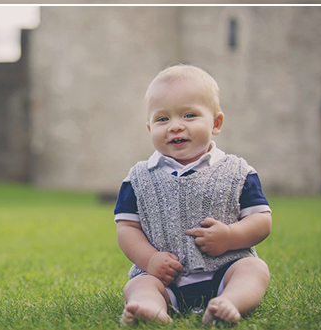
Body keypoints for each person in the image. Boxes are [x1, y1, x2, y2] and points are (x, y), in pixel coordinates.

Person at [115, 64, 271, 325]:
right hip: (166, 278)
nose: (175, 126)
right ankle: (151, 308)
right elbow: (127, 228)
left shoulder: (238, 171)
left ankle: (229, 302)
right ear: (149, 127)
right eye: (162, 119)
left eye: (189, 115)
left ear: (216, 123)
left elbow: (262, 222)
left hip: (226, 268)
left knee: (254, 269)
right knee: (138, 285)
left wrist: (231, 237)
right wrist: (150, 260)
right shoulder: (138, 178)